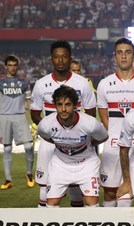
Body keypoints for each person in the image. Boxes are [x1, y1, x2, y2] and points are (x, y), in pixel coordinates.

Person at [30, 40, 96, 208]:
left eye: (64, 57)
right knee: (45, 188)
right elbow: (35, 113)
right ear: (51, 60)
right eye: (56, 57)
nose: (60, 61)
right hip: (49, 143)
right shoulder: (41, 84)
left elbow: (90, 113)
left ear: (70, 58)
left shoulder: (82, 83)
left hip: (76, 142)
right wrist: (50, 132)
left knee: (76, 186)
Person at [97, 37, 134, 207]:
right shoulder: (104, 84)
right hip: (113, 146)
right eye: (120, 53)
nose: (123, 57)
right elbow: (104, 116)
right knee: (109, 191)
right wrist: (117, 137)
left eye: (128, 53)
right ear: (114, 57)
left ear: (133, 56)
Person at [37, 85, 108, 208]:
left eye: (68, 104)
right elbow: (45, 136)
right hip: (60, 164)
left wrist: (89, 144)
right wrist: (63, 144)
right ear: (55, 106)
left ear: (75, 105)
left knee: (92, 204)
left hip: (87, 164)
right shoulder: (46, 124)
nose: (63, 109)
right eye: (59, 105)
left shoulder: (90, 124)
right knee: (51, 205)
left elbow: (103, 137)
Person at [0, 54, 34, 190]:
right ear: (6, 66)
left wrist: (31, 116)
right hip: (4, 117)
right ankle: (8, 179)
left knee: (29, 146)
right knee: (7, 148)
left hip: (20, 116)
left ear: (17, 66)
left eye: (14, 65)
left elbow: (28, 101)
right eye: (10, 65)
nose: (12, 68)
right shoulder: (1, 83)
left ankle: (29, 174)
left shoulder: (24, 82)